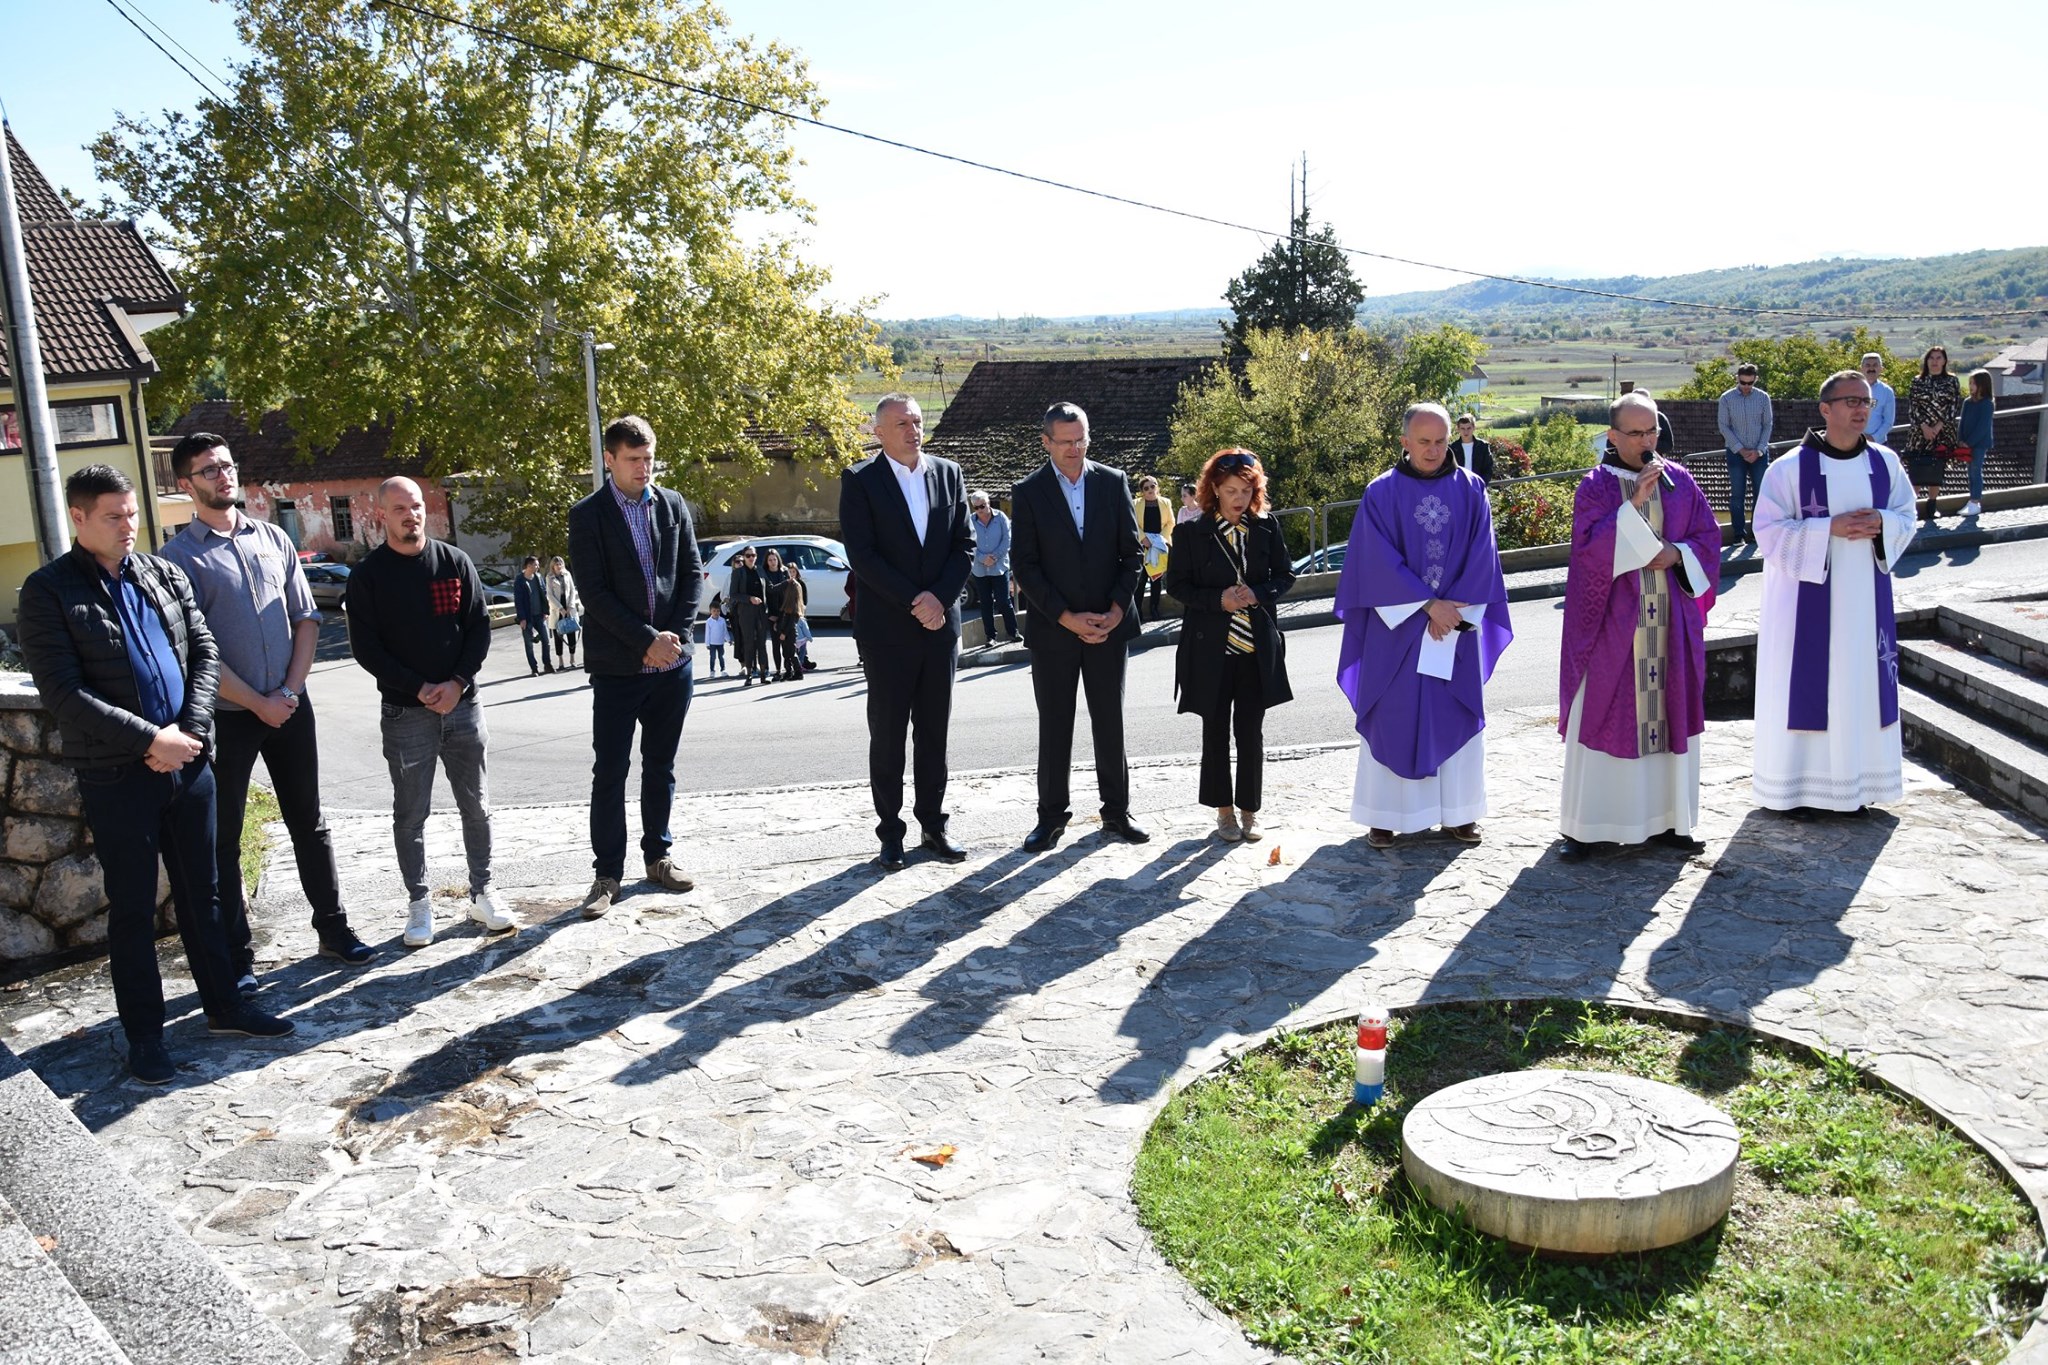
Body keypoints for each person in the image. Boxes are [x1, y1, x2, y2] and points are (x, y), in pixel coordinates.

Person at [18, 465, 295, 1083]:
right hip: (117, 775)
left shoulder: (161, 573)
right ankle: (144, 1036)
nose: (128, 526)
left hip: (188, 764)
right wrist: (151, 740)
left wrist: (187, 733)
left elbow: (205, 653)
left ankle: (226, 1005)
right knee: (134, 908)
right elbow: (64, 693)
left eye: (132, 514)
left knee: (207, 892)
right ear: (78, 517)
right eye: (113, 516)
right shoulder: (48, 591)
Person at [160, 432, 374, 985]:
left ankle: (334, 930)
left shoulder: (274, 537)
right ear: (186, 484)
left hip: (289, 706)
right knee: (225, 839)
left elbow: (306, 619)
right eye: (209, 470)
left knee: (310, 822)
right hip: (227, 719)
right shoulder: (176, 561)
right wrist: (257, 703)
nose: (223, 476)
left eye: (227, 466)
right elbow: (195, 653)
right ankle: (239, 957)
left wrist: (289, 694)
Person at [1334, 403, 1512, 849]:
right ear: (1404, 442)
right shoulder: (1381, 493)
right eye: (1424, 442)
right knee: (1392, 716)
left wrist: (1450, 611)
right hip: (1397, 631)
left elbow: (1483, 554)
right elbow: (1373, 560)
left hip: (1455, 625)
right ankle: (1384, 815)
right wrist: (1428, 605)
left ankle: (1459, 813)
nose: (1433, 450)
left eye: (1440, 441)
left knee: (1453, 710)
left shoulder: (1471, 488)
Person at [346, 476, 512, 947]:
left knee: (477, 806)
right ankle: (419, 904)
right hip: (406, 714)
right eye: (400, 509)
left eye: (416, 506)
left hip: (464, 706)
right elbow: (367, 650)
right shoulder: (368, 577)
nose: (411, 515)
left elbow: (478, 628)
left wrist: (457, 682)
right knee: (410, 814)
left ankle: (483, 892)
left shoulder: (455, 562)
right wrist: (418, 688)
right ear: (382, 515)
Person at [1556, 394, 1721, 860]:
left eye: (1652, 432)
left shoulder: (1681, 481)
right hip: (1614, 627)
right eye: (1636, 433)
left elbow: (1707, 540)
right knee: (1605, 715)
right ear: (1613, 436)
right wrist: (1634, 504)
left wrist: (1677, 554)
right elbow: (1588, 553)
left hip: (1670, 624)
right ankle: (1588, 828)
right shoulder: (1595, 487)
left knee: (1669, 712)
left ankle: (1669, 821)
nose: (1647, 442)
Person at [1751, 371, 1915, 817]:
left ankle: (1856, 786)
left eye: (1866, 401)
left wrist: (1883, 523)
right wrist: (1828, 529)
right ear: (1825, 409)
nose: (1862, 409)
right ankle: (1797, 790)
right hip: (1805, 607)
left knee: (1858, 684)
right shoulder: (1789, 468)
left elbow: (1907, 514)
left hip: (1865, 604)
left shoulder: (1885, 463)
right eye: (1851, 401)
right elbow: (1767, 531)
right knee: (1811, 687)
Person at [566, 415, 702, 917]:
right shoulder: (588, 515)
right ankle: (607, 874)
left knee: (660, 767)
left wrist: (675, 640)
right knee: (610, 772)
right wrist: (646, 641)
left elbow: (691, 573)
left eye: (649, 458)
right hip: (618, 669)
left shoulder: (672, 504)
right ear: (610, 459)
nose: (644, 468)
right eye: (633, 459)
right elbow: (594, 592)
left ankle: (658, 857)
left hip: (672, 667)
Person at [838, 393, 976, 869]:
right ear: (879, 432)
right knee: (889, 733)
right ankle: (890, 833)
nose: (913, 430)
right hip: (888, 630)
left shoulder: (948, 473)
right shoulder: (860, 480)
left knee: (934, 732)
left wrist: (939, 598)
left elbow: (964, 544)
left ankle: (933, 825)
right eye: (901, 423)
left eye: (916, 421)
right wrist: (917, 601)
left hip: (940, 628)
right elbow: (863, 555)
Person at [1011, 401, 1148, 851]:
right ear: (1046, 442)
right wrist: (1067, 618)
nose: (1075, 449)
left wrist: (1116, 610)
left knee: (1110, 721)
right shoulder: (1028, 491)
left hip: (1109, 626)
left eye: (1081, 439)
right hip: (1054, 630)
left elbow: (1132, 554)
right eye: (1066, 441)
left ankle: (1117, 813)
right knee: (1055, 725)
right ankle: (1051, 817)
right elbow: (1025, 566)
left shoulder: (1112, 481)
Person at [1167, 449, 1296, 842]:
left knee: (1251, 734)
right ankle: (1223, 812)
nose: (1239, 498)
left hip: (1255, 650)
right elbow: (1177, 586)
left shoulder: (1266, 527)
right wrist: (1217, 600)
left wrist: (1258, 593)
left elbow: (1286, 575)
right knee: (1215, 733)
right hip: (1211, 652)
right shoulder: (1191, 532)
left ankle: (1249, 811)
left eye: (1246, 490)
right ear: (1214, 490)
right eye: (1230, 490)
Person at [1717, 363, 1775, 549]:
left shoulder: (1763, 398)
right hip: (1736, 453)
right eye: (1743, 382)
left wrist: (1759, 450)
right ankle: (1738, 535)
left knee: (1761, 493)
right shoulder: (1726, 398)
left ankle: (1758, 533)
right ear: (1737, 379)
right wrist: (1741, 450)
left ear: (1756, 379)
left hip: (1759, 453)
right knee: (1737, 494)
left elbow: (1767, 425)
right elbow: (1724, 426)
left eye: (1750, 383)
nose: (1746, 386)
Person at [1904, 345, 1963, 525]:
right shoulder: (1917, 381)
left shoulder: (1952, 381)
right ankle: (1911, 507)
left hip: (1943, 432)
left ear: (1944, 361)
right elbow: (1913, 407)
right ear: (1926, 361)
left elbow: (1953, 406)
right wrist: (1924, 426)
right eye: (1931, 358)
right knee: (1916, 468)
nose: (1935, 361)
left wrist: (1938, 426)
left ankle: (1932, 504)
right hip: (1919, 432)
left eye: (1938, 358)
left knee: (1936, 468)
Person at [968, 491, 1017, 646]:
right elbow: (968, 543)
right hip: (980, 569)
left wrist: (994, 557)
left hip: (999, 566)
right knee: (986, 603)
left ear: (988, 503)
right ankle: (990, 637)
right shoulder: (970, 521)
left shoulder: (1001, 517)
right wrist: (983, 558)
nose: (980, 510)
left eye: (982, 506)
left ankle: (1013, 632)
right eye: (976, 507)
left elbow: (1007, 540)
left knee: (1004, 601)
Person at [727, 546, 771, 686]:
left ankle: (763, 674)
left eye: (753, 555)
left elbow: (769, 587)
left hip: (761, 611)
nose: (751, 558)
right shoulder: (738, 573)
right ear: (744, 557)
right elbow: (734, 594)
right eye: (748, 555)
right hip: (746, 612)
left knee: (762, 643)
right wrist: (749, 598)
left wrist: (787, 583)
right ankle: (749, 675)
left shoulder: (760, 570)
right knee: (749, 643)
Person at [1134, 475, 1172, 620]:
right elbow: (1132, 523)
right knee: (1141, 581)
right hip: (1142, 546)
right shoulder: (1135, 504)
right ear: (1142, 491)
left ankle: (1154, 609)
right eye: (1146, 488)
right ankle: (1137, 611)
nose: (1150, 489)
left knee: (1156, 580)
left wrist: (1160, 540)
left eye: (1153, 486)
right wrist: (1143, 538)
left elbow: (1170, 523)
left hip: (1159, 546)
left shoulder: (1166, 502)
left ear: (1157, 487)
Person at [1959, 369, 1995, 518]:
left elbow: (1982, 427)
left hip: (1979, 444)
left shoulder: (1987, 404)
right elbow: (1962, 423)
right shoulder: (1967, 402)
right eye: (1970, 383)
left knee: (1976, 470)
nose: (1971, 386)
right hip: (1966, 443)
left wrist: (1970, 443)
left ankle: (1975, 500)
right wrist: (1960, 440)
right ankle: (1972, 499)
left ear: (1982, 385)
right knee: (1970, 472)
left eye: (1974, 383)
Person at [512, 554, 551, 675]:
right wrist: (522, 618)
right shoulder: (520, 580)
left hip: (540, 615)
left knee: (546, 640)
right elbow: (518, 600)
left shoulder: (538, 577)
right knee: (529, 643)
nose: (538, 567)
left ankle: (547, 664)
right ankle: (534, 668)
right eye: (536, 565)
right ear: (529, 566)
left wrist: (546, 611)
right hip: (527, 616)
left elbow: (544, 594)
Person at [545, 555, 583, 672]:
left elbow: (572, 590)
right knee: (558, 636)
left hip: (569, 607)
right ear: (553, 566)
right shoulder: (549, 577)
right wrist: (560, 608)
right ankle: (561, 661)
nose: (559, 566)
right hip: (557, 608)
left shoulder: (567, 574)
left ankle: (572, 659)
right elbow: (549, 595)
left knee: (571, 633)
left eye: (560, 564)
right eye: (556, 564)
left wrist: (570, 606)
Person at [774, 561, 806, 681]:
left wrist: (784, 633)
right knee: (786, 653)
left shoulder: (792, 608)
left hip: (789, 633)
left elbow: (791, 623)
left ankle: (798, 672)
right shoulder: (788, 605)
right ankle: (788, 671)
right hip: (786, 631)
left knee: (791, 653)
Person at [1861, 352, 1898, 445]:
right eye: (1868, 365)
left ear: (1881, 369)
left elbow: (1888, 421)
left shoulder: (1887, 391)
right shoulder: (1851, 389)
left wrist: (1873, 437)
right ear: (1861, 368)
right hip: (1854, 442)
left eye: (1875, 365)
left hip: (1878, 443)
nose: (1871, 368)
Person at [1451, 414, 1497, 484]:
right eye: (1463, 428)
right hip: (1458, 487)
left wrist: (1480, 484)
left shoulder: (1483, 446)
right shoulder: (1452, 448)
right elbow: (1449, 470)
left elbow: (1488, 469)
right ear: (1458, 429)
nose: (1466, 432)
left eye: (1469, 428)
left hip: (1477, 486)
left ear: (1474, 428)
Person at [704, 601, 730, 676]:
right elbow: (707, 633)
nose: (716, 612)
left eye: (718, 611)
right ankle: (712, 671)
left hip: (720, 643)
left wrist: (728, 640)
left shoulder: (722, 620)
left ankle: (723, 670)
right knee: (713, 657)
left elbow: (725, 631)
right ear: (710, 611)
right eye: (714, 611)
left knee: (721, 657)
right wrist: (707, 643)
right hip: (712, 643)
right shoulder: (709, 621)